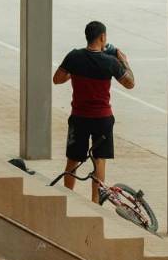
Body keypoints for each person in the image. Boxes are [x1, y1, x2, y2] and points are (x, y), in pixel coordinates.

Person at [52, 20, 135, 203]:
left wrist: (73, 72)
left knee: (73, 159)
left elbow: (57, 79)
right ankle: (95, 202)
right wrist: (125, 61)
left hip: (79, 117)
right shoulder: (110, 62)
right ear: (102, 37)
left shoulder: (74, 57)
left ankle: (68, 197)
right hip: (102, 118)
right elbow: (130, 83)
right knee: (99, 160)